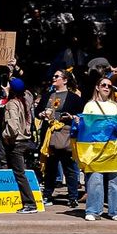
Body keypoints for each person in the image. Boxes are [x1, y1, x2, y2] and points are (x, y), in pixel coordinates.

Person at [82, 77, 117, 222]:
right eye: (103, 85)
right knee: (95, 180)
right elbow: (87, 126)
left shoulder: (115, 105)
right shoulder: (89, 105)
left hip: (113, 148)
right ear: (97, 87)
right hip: (95, 149)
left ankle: (115, 211)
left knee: (116, 181)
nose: (107, 87)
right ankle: (93, 210)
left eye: (109, 86)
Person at [38, 68, 83, 206]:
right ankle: (47, 195)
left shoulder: (73, 97)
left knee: (69, 168)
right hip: (49, 136)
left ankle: (73, 197)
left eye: (57, 76)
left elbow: (80, 115)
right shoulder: (47, 96)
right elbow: (37, 110)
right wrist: (41, 114)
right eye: (53, 75)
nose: (53, 77)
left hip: (66, 136)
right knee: (50, 167)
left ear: (64, 80)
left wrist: (70, 117)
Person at [0, 75, 40, 213]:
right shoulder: (26, 99)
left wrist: (5, 135)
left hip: (16, 142)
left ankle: (30, 203)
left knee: (19, 174)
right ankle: (28, 201)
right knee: (22, 173)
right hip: (26, 140)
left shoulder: (12, 104)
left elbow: (13, 126)